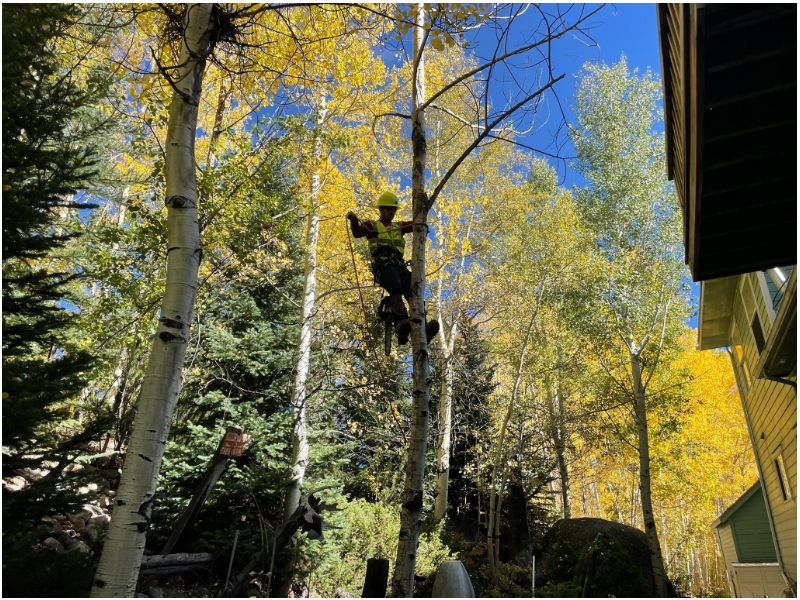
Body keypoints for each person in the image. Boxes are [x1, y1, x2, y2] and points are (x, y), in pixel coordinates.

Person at [347, 191, 439, 345]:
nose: (391, 212)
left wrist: (423, 207)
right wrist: (354, 220)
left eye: (393, 210)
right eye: (388, 209)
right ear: (381, 209)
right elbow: (357, 233)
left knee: (413, 288)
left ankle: (423, 329)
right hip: (383, 266)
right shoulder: (371, 225)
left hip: (399, 266)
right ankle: (401, 322)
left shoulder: (398, 226)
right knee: (394, 282)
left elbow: (418, 223)